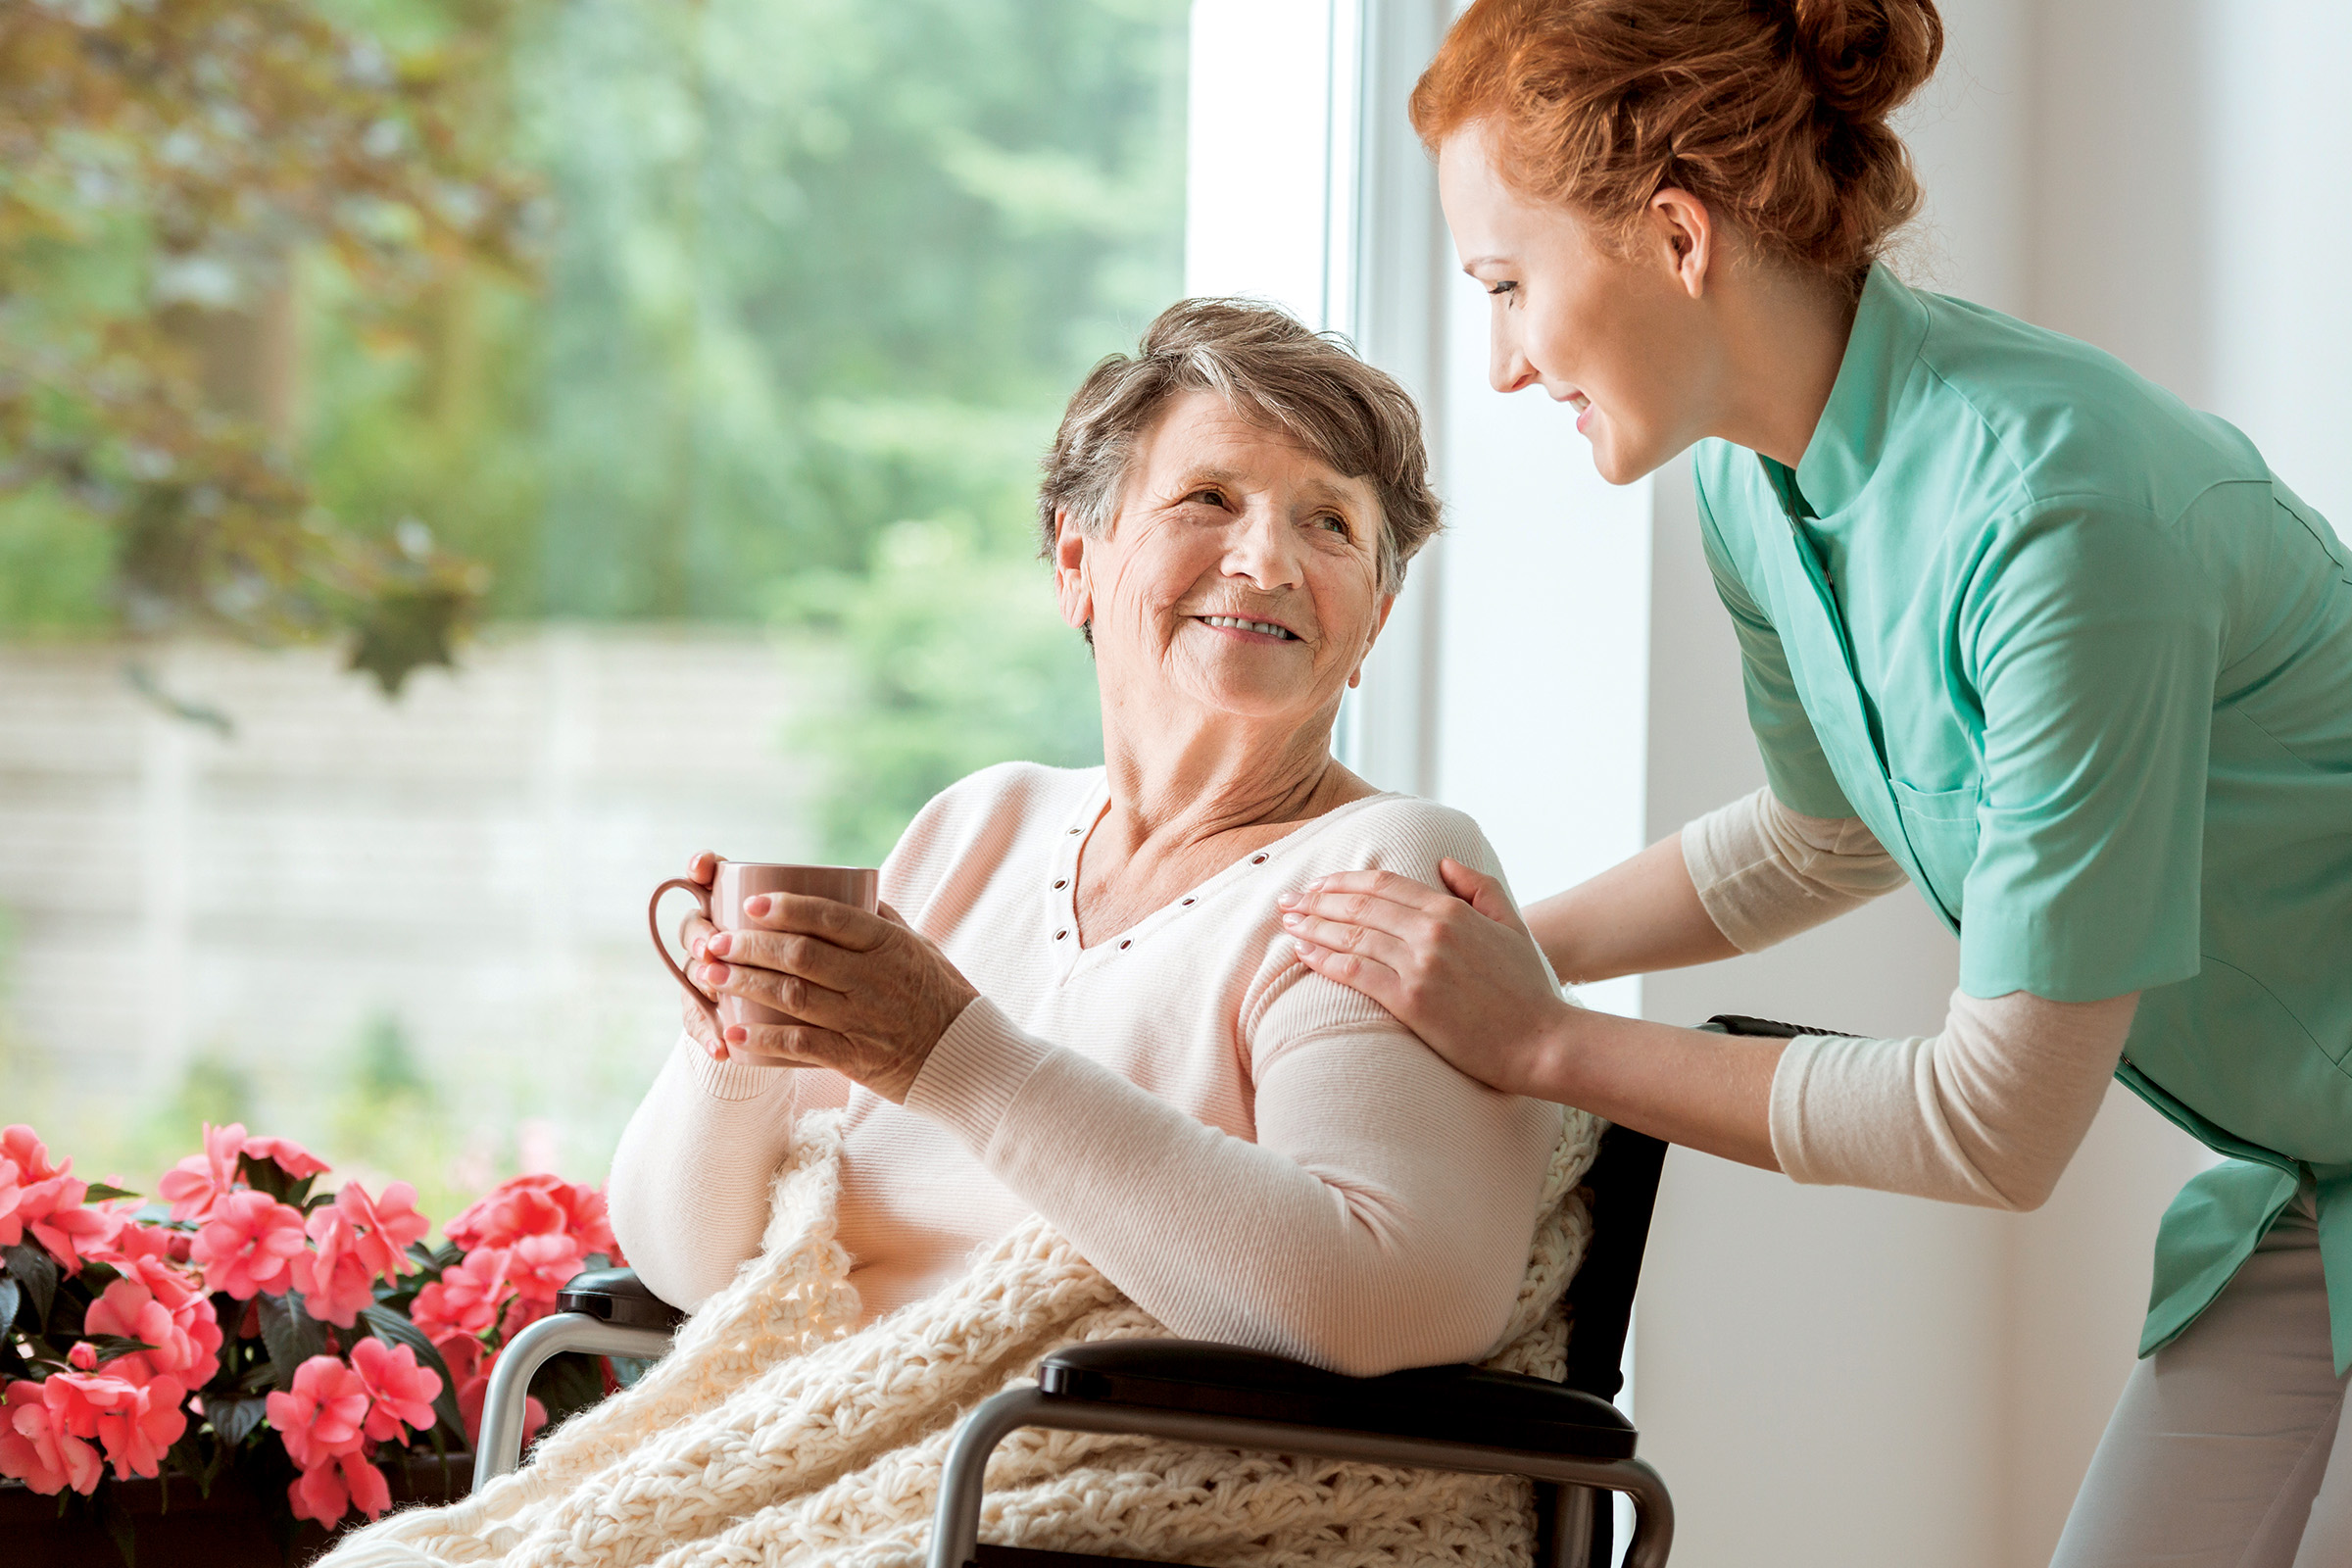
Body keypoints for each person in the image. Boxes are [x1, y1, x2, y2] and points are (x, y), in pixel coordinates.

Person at [1271, 2, 2352, 1563]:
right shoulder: (1752, 482)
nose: (1498, 362)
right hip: (2311, 1174)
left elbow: (1995, 1123)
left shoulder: (2061, 519)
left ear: (1675, 234)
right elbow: (1823, 833)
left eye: (1507, 286)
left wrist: (1543, 1038)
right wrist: (1494, 948)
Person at [608, 298, 1563, 1378]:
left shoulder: (1388, 865)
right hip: (823, 1453)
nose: (1265, 560)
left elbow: (1391, 1299)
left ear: (1375, 618)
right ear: (1077, 559)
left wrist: (948, 1055)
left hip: (1055, 1502)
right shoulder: (981, 826)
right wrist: (730, 1043)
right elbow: (691, 1260)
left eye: (1331, 523)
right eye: (1209, 498)